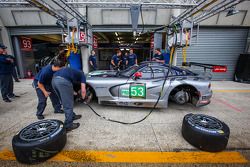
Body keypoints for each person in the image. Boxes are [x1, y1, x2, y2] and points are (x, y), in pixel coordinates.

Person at [52, 67, 86, 132]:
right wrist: (83, 98)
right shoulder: (82, 75)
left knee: (64, 101)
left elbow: (69, 85)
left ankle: (72, 115)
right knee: (68, 104)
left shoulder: (72, 71)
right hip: (62, 82)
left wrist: (75, 93)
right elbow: (83, 90)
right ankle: (69, 125)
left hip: (54, 81)